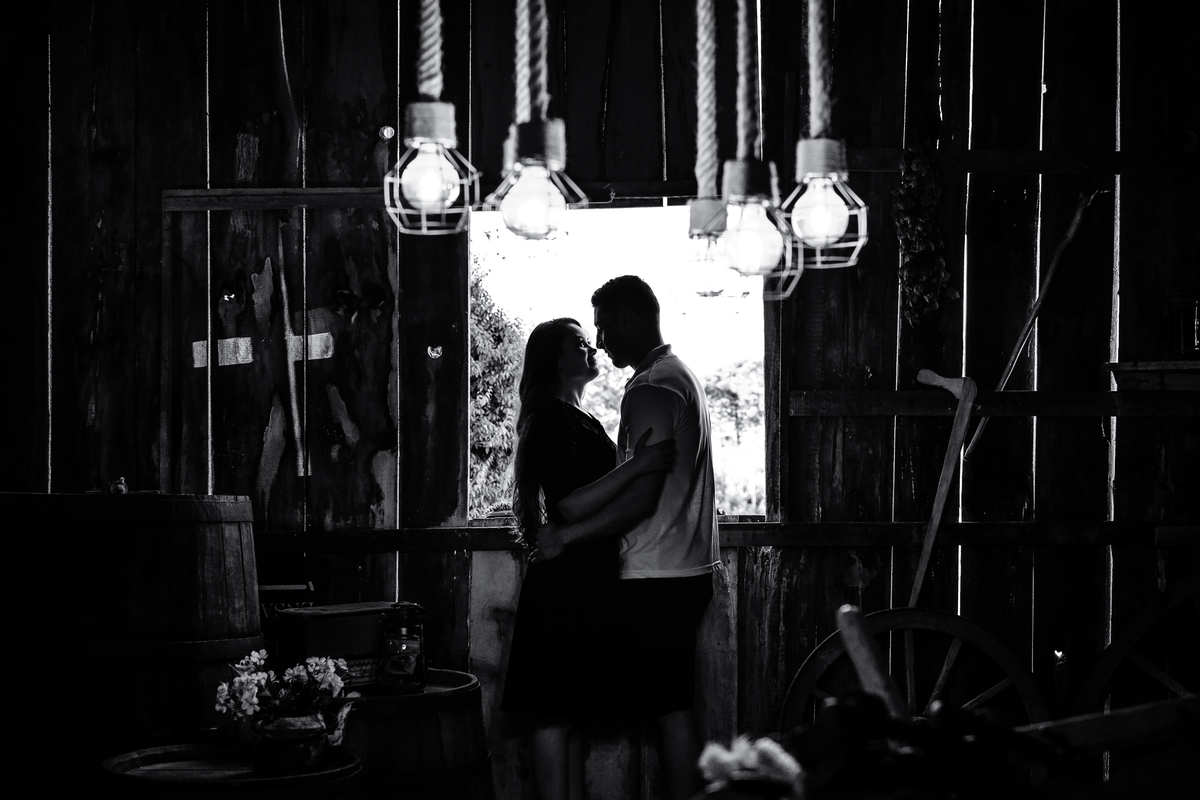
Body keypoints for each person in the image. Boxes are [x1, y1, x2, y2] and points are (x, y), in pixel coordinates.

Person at [535, 276, 720, 800]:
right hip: (681, 566)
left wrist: (567, 537)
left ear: (626, 319)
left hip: (659, 573)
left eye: (602, 327)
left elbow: (640, 501)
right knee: (671, 707)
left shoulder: (650, 389)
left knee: (670, 711)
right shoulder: (678, 375)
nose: (600, 341)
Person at [500, 317, 676, 800]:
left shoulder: (578, 417)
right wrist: (638, 466)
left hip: (582, 574)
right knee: (555, 714)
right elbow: (572, 505)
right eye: (579, 344)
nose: (592, 349)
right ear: (555, 361)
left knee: (570, 712)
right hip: (564, 581)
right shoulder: (552, 420)